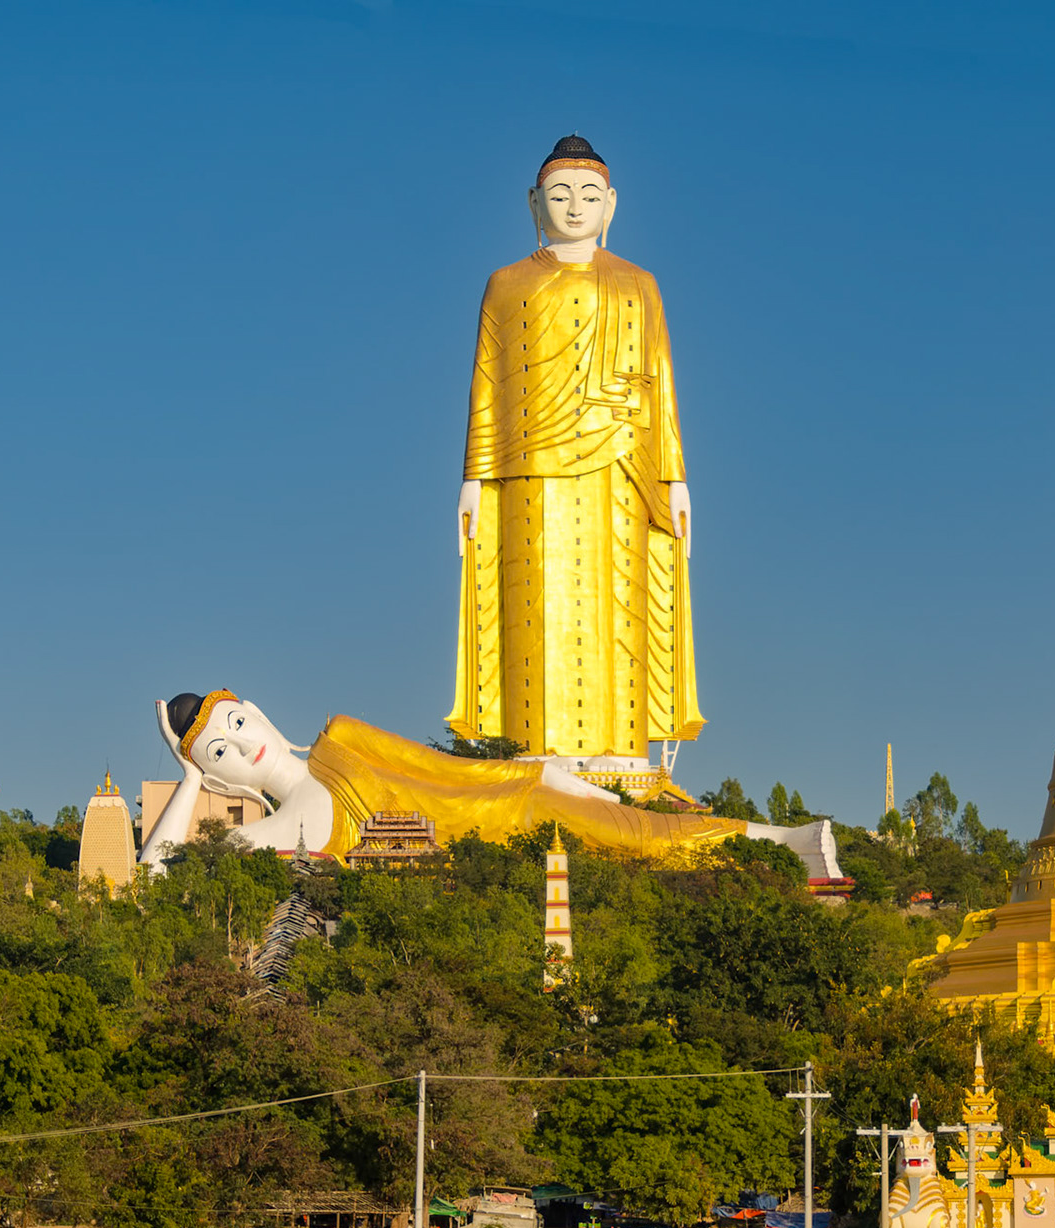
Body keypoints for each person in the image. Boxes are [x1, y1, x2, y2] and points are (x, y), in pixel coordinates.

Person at [450, 134, 704, 760]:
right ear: (533, 203)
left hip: (618, 467)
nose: (573, 207)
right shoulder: (505, 285)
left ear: (611, 204)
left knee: (616, 612)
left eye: (588, 195)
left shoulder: (637, 284)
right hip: (528, 472)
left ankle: (619, 759)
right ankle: (530, 755)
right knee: (531, 609)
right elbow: (487, 384)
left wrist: (675, 479)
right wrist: (473, 477)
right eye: (559, 195)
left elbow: (662, 383)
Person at [137, 690, 833, 871]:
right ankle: (782, 843)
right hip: (501, 836)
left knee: (643, 831)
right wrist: (188, 779)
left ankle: (780, 839)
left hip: (511, 795)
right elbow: (159, 870)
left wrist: (530, 768)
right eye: (221, 752)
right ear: (217, 770)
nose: (242, 744)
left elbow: (441, 768)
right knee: (642, 839)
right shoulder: (281, 824)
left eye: (235, 722)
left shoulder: (341, 734)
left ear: (254, 711)